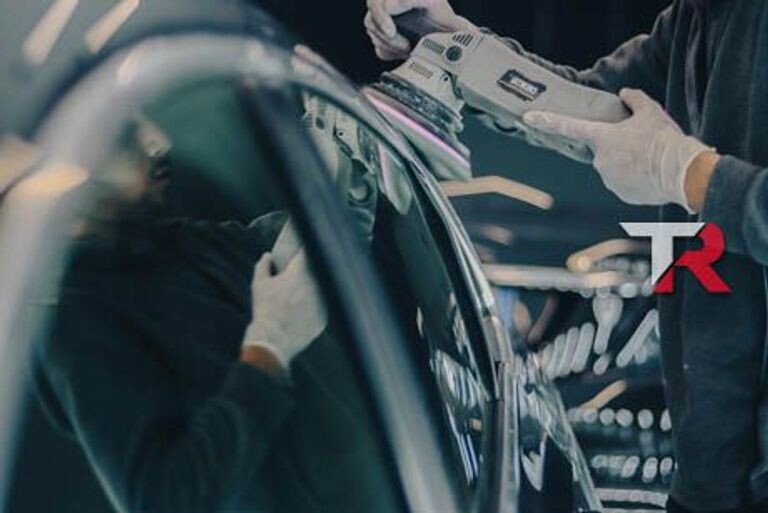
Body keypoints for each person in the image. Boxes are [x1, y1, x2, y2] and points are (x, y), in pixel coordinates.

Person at [365, 1, 768, 512]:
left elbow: (689, 172)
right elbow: (587, 106)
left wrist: (693, 176)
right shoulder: (702, 17)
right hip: (711, 471)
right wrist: (460, 49)